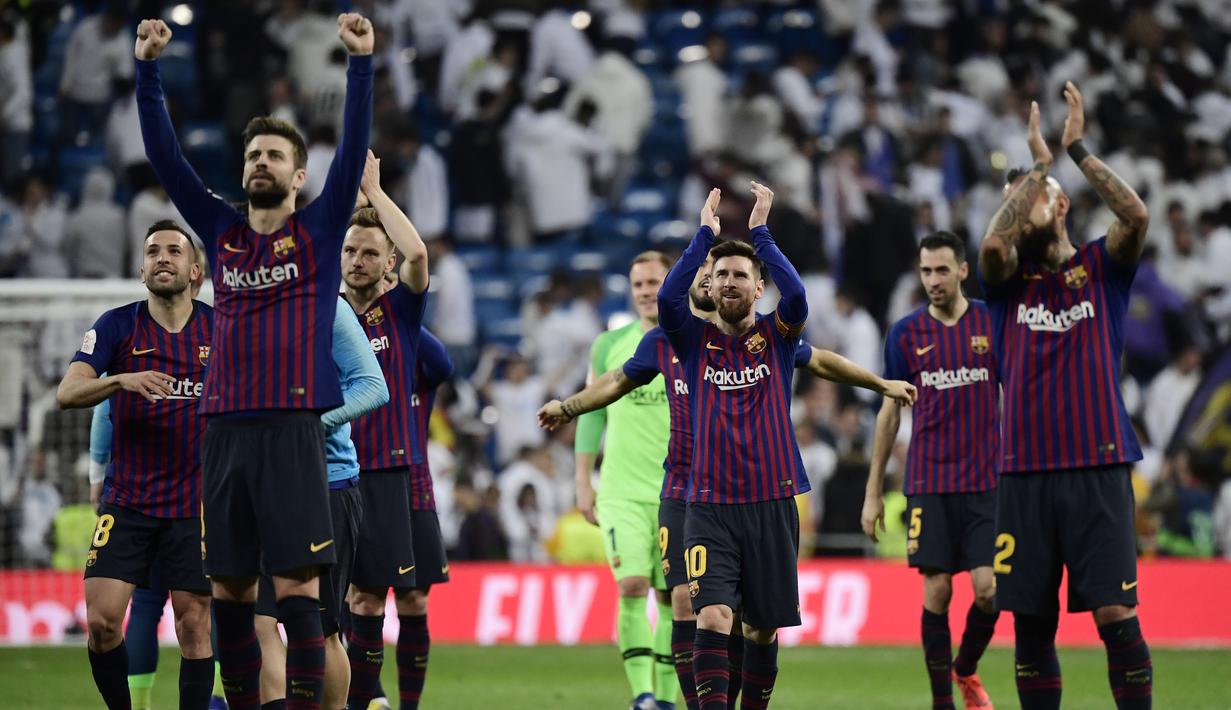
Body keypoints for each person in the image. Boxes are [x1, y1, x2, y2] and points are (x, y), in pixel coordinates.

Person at [539, 260, 915, 710]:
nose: (712, 279)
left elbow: (817, 359)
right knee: (692, 605)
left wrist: (878, 384)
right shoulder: (666, 339)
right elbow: (617, 380)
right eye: (709, 272)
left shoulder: (755, 338)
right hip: (686, 490)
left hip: (755, 492)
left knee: (746, 623)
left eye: (721, 272)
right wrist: (571, 407)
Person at [134, 13, 374, 709]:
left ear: (298, 175)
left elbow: (353, 148)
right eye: (252, 155)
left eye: (274, 155)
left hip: (294, 434)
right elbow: (166, 158)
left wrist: (361, 63)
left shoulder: (320, 230)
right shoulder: (221, 231)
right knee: (230, 592)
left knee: (298, 593)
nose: (260, 163)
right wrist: (147, 71)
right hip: (224, 435)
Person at [978, 83, 1153, 710]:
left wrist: (1075, 150)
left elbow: (1136, 217)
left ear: (1061, 207)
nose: (1020, 207)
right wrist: (1036, 169)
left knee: (1115, 615)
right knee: (1031, 624)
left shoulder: (1103, 269)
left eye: (1033, 198)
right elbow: (992, 245)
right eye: (1014, 200)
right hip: (1023, 474)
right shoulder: (1007, 284)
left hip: (1098, 465)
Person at [658, 183, 806, 709]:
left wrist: (761, 234)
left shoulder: (779, 337)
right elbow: (667, 299)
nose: (728, 282)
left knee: (761, 629)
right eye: (720, 274)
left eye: (740, 275)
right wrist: (704, 236)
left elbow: (797, 297)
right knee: (714, 616)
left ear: (758, 287)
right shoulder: (693, 342)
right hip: (709, 507)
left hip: (771, 502)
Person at [56, 221, 214, 709]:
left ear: (195, 271)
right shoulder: (116, 325)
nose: (162, 257)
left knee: (194, 625)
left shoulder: (220, 330)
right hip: (129, 501)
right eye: (153, 251)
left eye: (174, 250)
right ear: (141, 269)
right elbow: (67, 392)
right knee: (102, 623)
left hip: (197, 506)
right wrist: (121, 379)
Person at [863, 230, 1001, 710]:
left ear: (963, 270)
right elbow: (889, 413)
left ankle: (965, 667)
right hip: (930, 480)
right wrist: (873, 492)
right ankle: (943, 701)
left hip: (986, 481)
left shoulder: (991, 322)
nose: (933, 280)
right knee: (938, 590)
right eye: (926, 271)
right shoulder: (905, 334)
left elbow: (1017, 393)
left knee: (989, 590)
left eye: (942, 270)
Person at [254, 293, 389, 710]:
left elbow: (373, 387)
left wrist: (306, 425)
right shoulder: (246, 303)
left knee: (319, 627)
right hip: (262, 485)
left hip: (326, 483)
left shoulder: (326, 304)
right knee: (259, 620)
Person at [339, 153, 431, 710]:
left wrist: (374, 192)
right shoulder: (323, 312)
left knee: (370, 601)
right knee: (322, 603)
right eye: (350, 250)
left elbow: (419, 254)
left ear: (387, 261)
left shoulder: (400, 312)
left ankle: (364, 700)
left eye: (370, 252)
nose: (357, 260)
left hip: (382, 472)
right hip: (325, 470)